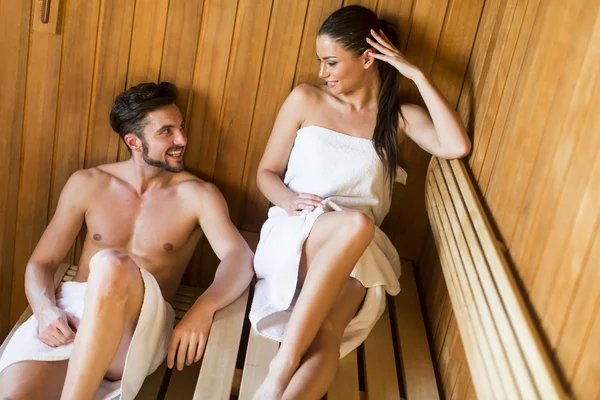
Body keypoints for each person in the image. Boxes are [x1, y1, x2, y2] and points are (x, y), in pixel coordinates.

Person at [249, 5, 471, 399]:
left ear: (368, 58)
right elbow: (266, 172)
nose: (323, 73)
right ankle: (279, 369)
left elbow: (456, 145)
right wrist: (288, 199)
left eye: (331, 62)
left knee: (329, 335)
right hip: (299, 232)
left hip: (359, 251)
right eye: (321, 62)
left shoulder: (397, 118)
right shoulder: (306, 100)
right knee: (357, 224)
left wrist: (414, 73)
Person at [0, 82, 254, 400]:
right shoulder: (89, 183)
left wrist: (203, 308)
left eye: (181, 127)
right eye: (166, 132)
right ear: (133, 141)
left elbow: (239, 257)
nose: (182, 140)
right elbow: (42, 261)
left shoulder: (197, 196)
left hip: (140, 327)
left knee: (110, 264)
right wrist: (44, 309)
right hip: (73, 314)